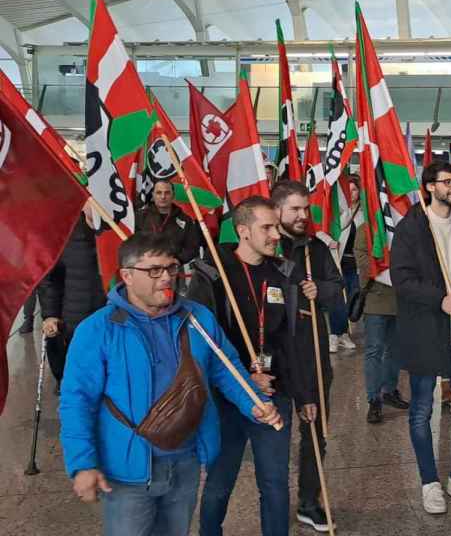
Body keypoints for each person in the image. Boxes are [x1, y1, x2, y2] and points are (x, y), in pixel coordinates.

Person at [59, 232, 282, 536]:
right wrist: (82, 463)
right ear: (127, 275)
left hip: (186, 462)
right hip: (128, 473)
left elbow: (226, 368)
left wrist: (253, 402)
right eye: (154, 270)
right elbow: (76, 401)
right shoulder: (98, 330)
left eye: (171, 268)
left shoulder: (197, 318)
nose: (166, 278)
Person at [190, 196, 316, 536]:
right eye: (267, 227)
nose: (276, 234)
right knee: (220, 480)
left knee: (275, 483)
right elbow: (205, 342)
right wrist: (245, 379)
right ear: (243, 231)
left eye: (276, 225)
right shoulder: (215, 273)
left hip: (275, 394)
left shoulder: (284, 272)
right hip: (227, 398)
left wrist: (305, 394)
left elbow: (292, 342)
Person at [391, 161, 451, 514]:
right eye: (447, 182)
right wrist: (439, 299)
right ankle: (429, 482)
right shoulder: (411, 227)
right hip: (424, 329)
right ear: (430, 187)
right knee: (421, 410)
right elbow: (402, 279)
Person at [270, 180, 344, 532]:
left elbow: (336, 286)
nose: (302, 215)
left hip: (312, 351)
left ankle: (308, 500)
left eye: (306, 208)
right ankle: (272, 500)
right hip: (275, 355)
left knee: (315, 430)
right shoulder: (268, 247)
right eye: (295, 209)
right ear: (278, 211)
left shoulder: (315, 247)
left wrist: (321, 290)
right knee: (274, 434)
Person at [38, 210, 106, 389]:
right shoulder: (64, 230)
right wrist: (50, 314)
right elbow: (50, 279)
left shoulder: (120, 229)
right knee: (76, 385)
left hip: (111, 319)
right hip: (74, 319)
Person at [354, 221, 408, 423]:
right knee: (374, 350)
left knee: (394, 350)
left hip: (400, 297)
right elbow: (361, 259)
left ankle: (389, 391)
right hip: (375, 298)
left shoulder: (399, 222)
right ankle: (373, 399)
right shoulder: (366, 228)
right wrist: (388, 268)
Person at [329, 175, 362, 351]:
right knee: (337, 300)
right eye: (348, 191)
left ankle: (343, 333)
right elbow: (324, 230)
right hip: (338, 262)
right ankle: (335, 334)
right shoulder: (338, 211)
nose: (352, 194)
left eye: (354, 190)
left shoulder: (364, 213)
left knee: (352, 300)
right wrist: (329, 241)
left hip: (357, 265)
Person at [136, 179, 201, 265]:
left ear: (173, 195)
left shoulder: (185, 219)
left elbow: (192, 248)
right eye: (159, 193)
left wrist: (178, 260)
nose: (163, 196)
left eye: (167, 193)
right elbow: (132, 242)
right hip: (145, 266)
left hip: (172, 268)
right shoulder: (140, 217)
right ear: (153, 195)